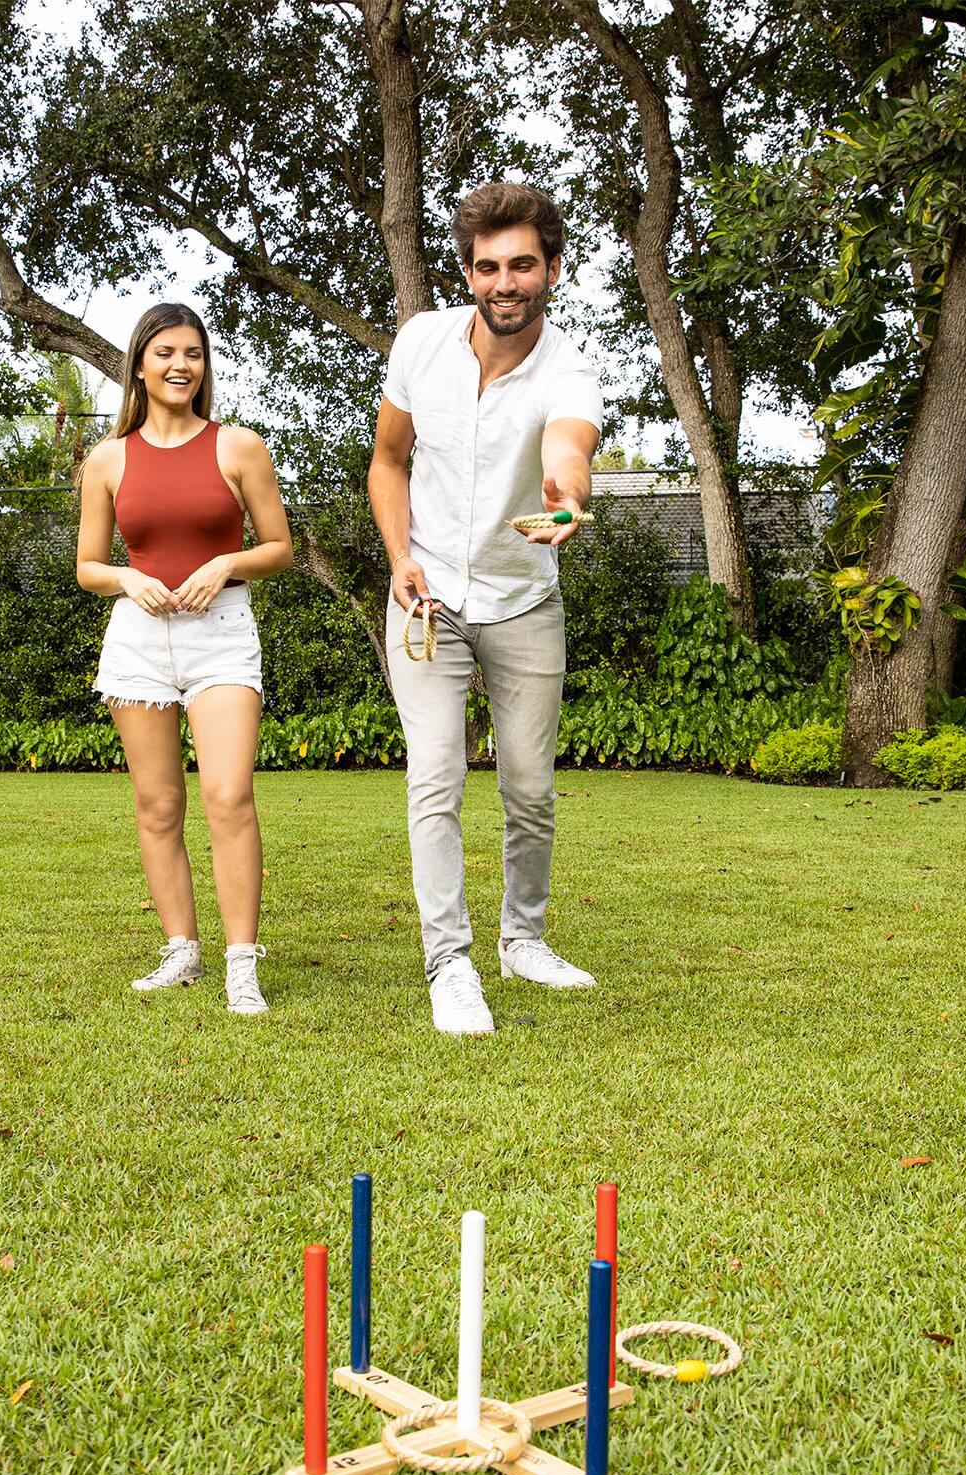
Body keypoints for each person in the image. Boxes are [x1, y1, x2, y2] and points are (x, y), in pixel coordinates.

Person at [368, 183, 602, 1036]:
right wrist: (399, 559)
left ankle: (522, 940)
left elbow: (568, 449)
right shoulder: (421, 343)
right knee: (435, 779)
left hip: (521, 602)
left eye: (523, 266)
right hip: (425, 598)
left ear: (551, 269)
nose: (505, 282)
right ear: (468, 272)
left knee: (530, 788)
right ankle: (450, 962)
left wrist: (568, 498)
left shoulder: (569, 367)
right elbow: (388, 463)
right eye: (489, 266)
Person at [76, 303, 292, 1015]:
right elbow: (87, 566)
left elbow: (279, 549)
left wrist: (227, 562)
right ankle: (181, 951)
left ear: (204, 366)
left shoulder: (238, 447)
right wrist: (126, 577)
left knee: (228, 795)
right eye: (165, 352)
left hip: (221, 632)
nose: (180, 365)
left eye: (193, 353)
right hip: (138, 636)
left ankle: (241, 963)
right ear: (139, 363)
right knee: (158, 803)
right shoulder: (107, 459)